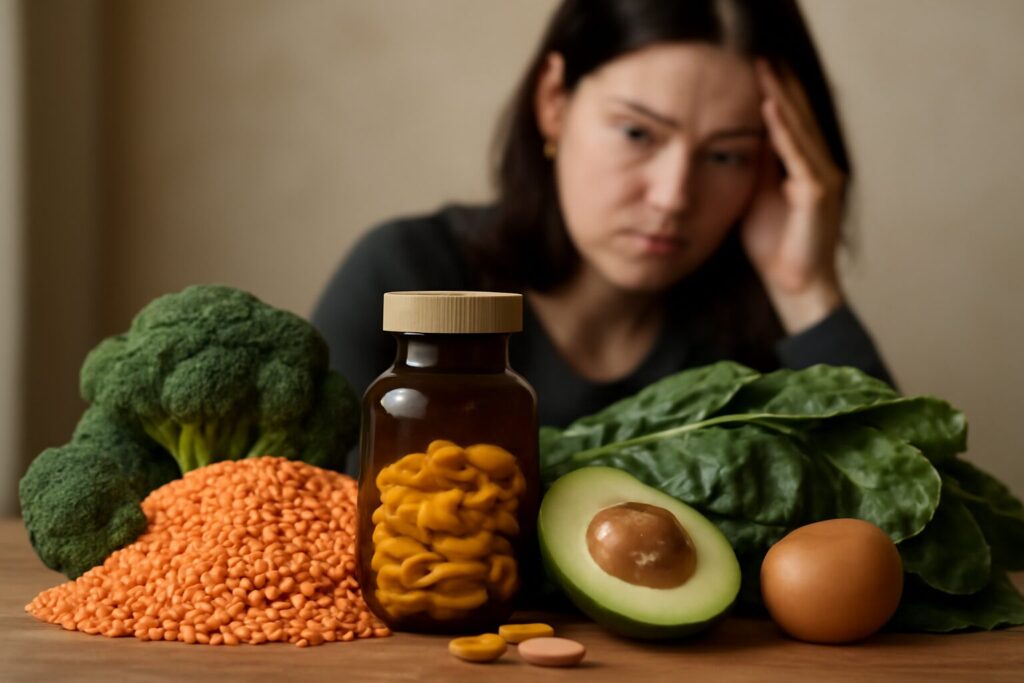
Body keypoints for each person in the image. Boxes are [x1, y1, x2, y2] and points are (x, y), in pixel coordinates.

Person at [313, 0, 894, 474]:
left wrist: (806, 288)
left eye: (725, 155)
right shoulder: (408, 278)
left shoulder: (762, 345)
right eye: (638, 132)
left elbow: (905, 531)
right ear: (553, 102)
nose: (672, 196)